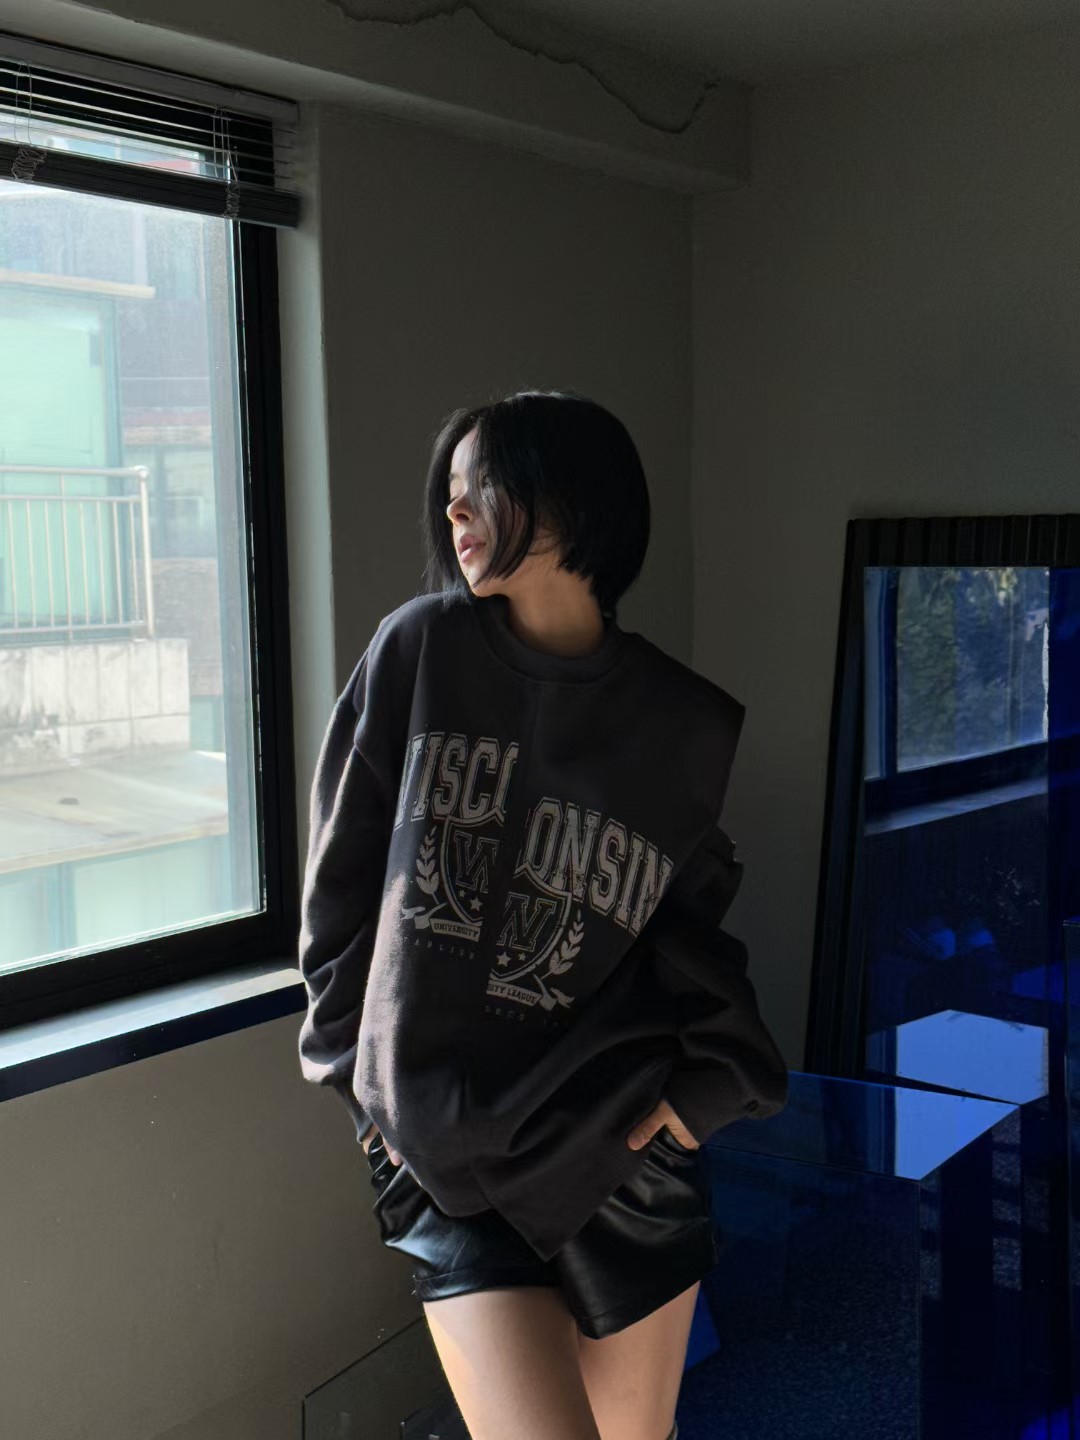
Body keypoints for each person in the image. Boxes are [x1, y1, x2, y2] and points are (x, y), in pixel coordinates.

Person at [298, 389, 788, 1440]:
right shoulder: (419, 652)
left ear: (574, 501)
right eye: (449, 494)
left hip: (620, 1150)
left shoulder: (680, 719)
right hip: (448, 1159)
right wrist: (360, 1087)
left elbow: (685, 931)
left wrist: (705, 1089)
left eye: (482, 489)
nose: (455, 514)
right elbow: (337, 886)